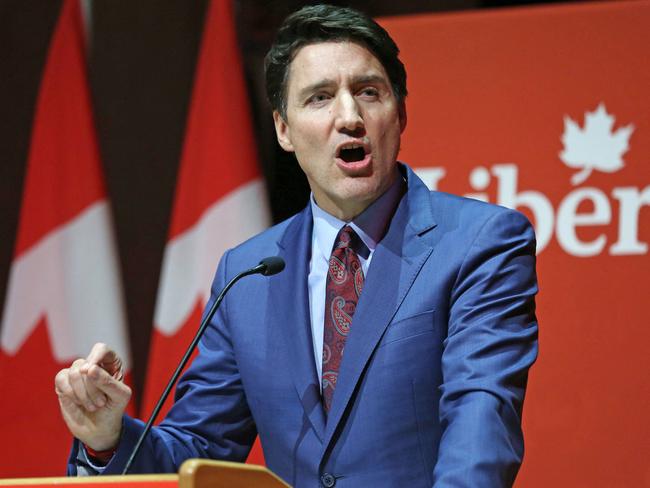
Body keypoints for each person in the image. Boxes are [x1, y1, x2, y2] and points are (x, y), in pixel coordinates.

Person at [55, 4, 538, 487]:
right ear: (284, 130)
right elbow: (197, 451)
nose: (350, 117)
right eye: (320, 98)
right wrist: (107, 436)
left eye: (369, 92)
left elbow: (481, 425)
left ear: (401, 112)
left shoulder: (479, 243)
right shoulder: (246, 273)